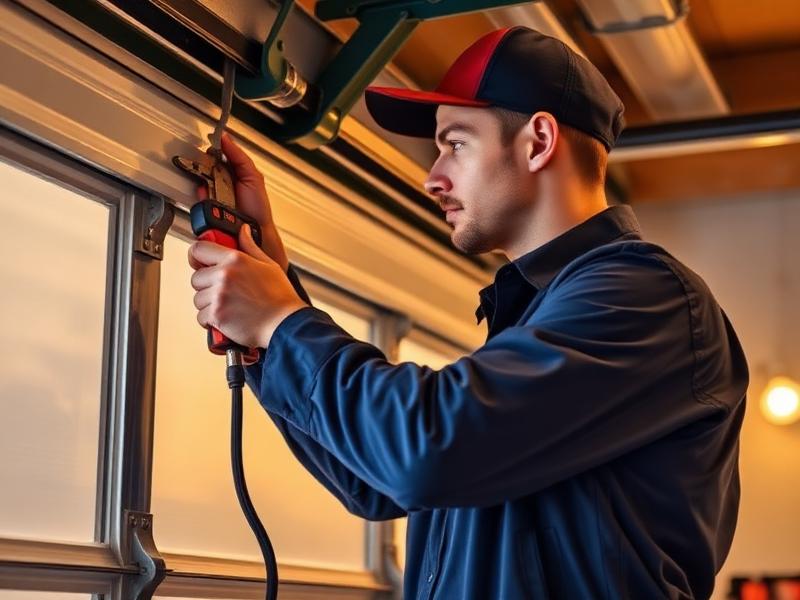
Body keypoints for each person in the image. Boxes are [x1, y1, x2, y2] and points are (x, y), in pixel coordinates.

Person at [188, 27, 748, 599]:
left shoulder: (643, 295)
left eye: (455, 144)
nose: (432, 178)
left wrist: (280, 323)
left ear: (538, 141)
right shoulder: (539, 312)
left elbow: (428, 454)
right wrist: (273, 300)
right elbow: (371, 481)